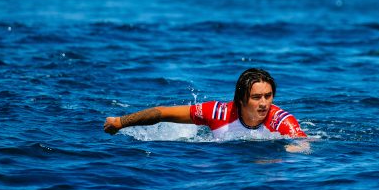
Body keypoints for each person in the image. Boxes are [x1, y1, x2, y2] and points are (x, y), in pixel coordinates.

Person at [103, 68, 308, 148]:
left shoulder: (281, 120)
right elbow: (162, 113)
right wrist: (120, 122)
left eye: (268, 96)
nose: (264, 103)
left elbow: (303, 144)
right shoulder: (217, 112)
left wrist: (292, 150)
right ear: (241, 99)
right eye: (256, 97)